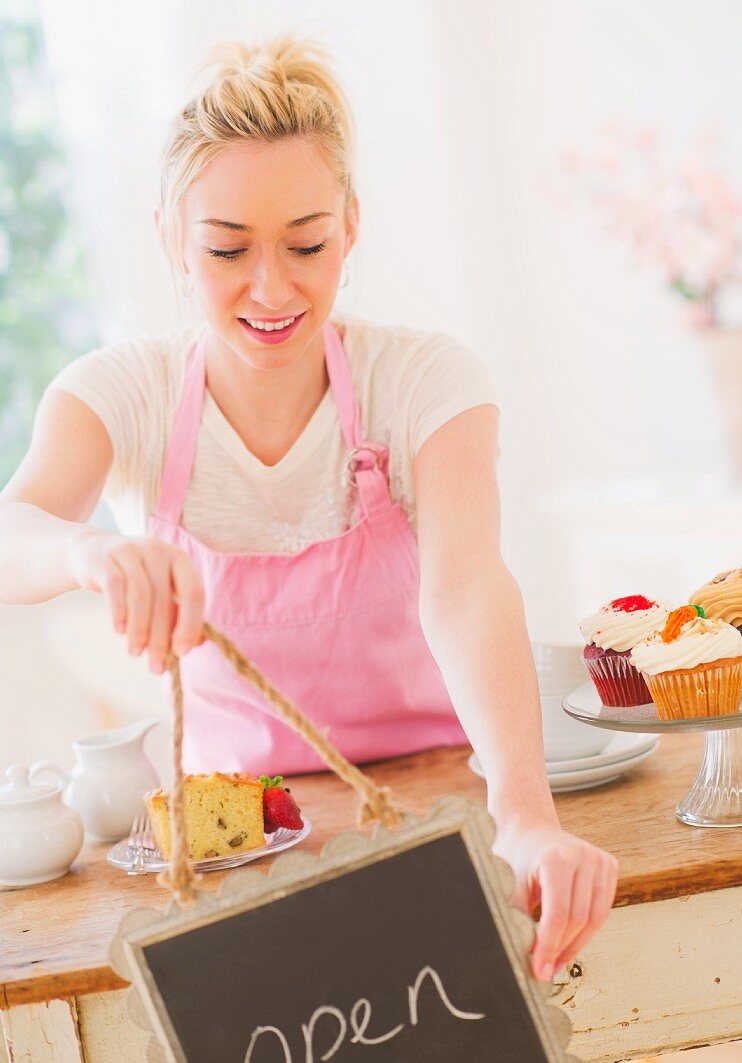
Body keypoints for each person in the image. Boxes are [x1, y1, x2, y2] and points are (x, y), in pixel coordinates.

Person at [0, 34, 617, 979]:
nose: (273, 287)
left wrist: (526, 822)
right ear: (169, 233)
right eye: (226, 248)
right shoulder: (117, 395)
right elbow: (14, 535)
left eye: (307, 242)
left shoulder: (425, 380)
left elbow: (466, 589)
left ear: (353, 222)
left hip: (448, 797)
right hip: (248, 843)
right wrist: (90, 553)